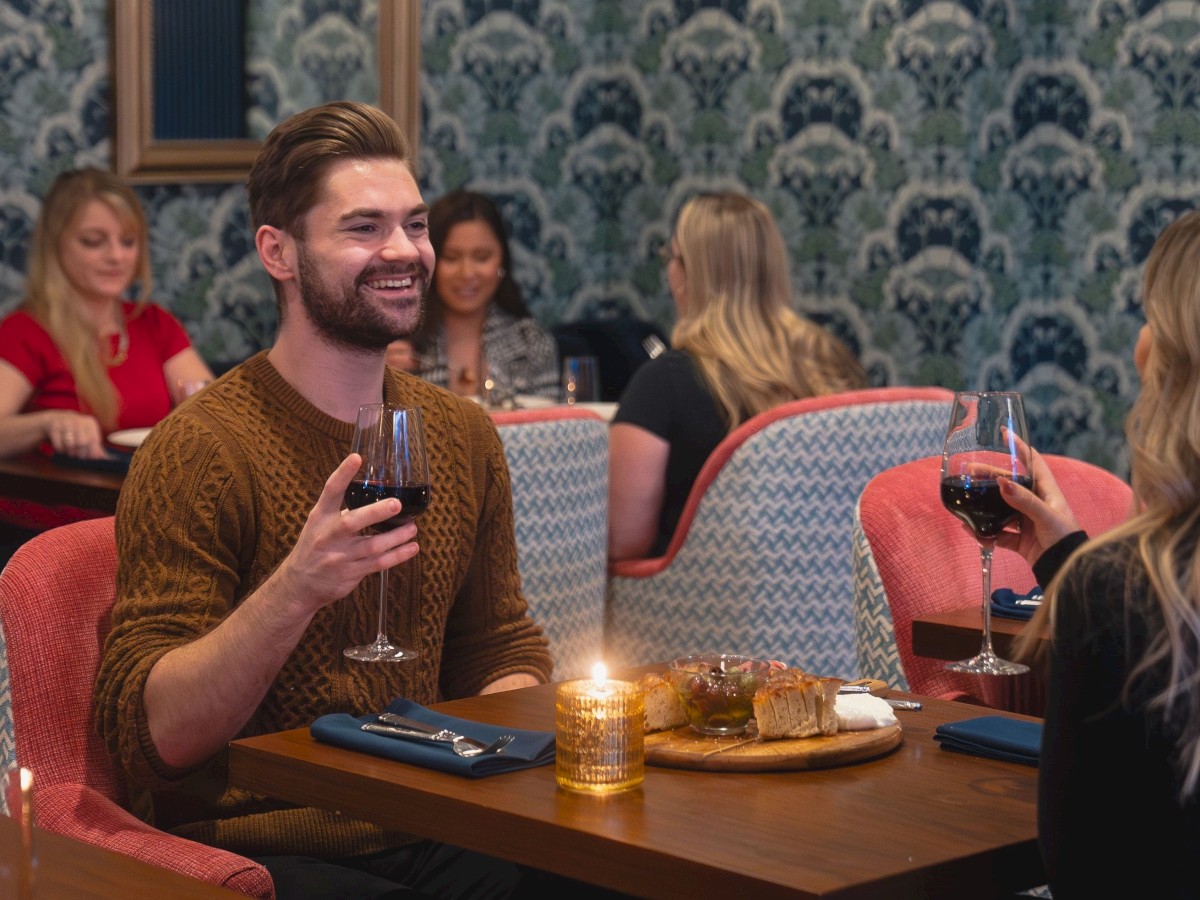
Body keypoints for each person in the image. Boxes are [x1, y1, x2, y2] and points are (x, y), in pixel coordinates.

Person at [94, 101, 555, 899]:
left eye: (414, 224)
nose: (405, 251)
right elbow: (153, 739)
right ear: (279, 251)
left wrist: (507, 731)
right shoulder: (200, 449)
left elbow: (499, 646)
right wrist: (298, 588)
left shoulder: (462, 435)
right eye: (364, 229)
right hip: (265, 846)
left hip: (442, 818)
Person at [999, 210, 1200, 898]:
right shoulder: (1110, 587)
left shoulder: (1116, 590)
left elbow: (1079, 868)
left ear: (1161, 357)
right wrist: (1067, 560)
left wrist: (1086, 578)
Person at [607, 192, 868, 560]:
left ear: (690, 273)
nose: (669, 271)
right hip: (831, 604)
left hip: (694, 609)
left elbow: (623, 540)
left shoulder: (664, 384)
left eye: (673, 257)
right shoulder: (831, 361)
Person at [0, 167, 212, 554]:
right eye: (94, 242)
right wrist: (47, 423)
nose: (116, 256)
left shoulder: (153, 323)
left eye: (128, 242)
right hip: (52, 537)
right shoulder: (26, 331)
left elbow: (211, 406)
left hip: (148, 522)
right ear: (56, 245)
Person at [385, 189, 559, 401]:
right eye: (451, 257)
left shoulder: (531, 342)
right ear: (430, 262)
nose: (467, 273)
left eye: (482, 257)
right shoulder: (396, 339)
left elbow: (548, 425)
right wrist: (379, 376)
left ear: (501, 262)